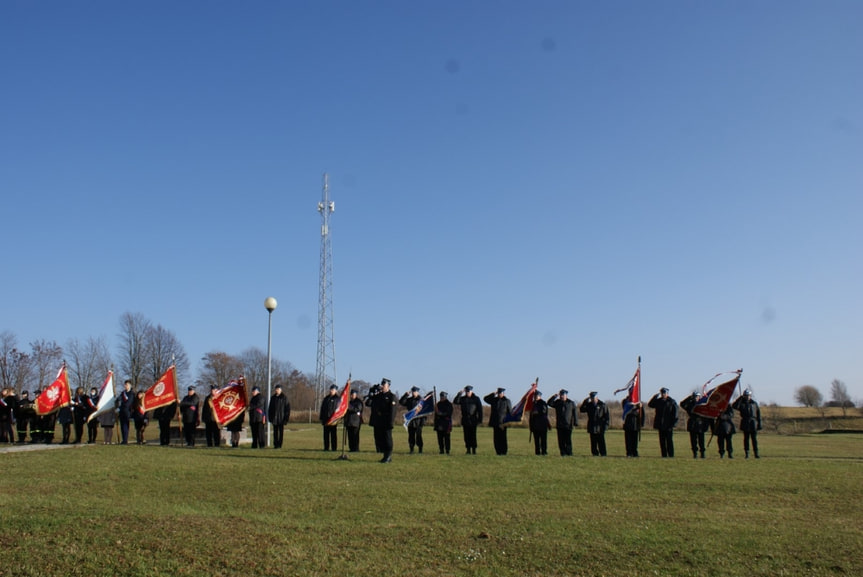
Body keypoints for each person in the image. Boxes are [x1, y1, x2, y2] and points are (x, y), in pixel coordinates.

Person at [367, 378, 397, 463]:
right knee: (379, 439)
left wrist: (390, 422)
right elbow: (368, 403)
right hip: (378, 421)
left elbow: (393, 411)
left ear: (388, 386)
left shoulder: (391, 397)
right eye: (382, 385)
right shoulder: (378, 396)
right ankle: (384, 455)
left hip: (386, 421)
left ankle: (388, 455)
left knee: (387, 439)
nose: (382, 386)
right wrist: (371, 393)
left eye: (384, 385)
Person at [680, 390, 713, 459]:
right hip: (693, 424)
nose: (696, 398)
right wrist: (689, 398)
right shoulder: (690, 404)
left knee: (701, 440)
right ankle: (695, 453)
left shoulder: (702, 404)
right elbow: (682, 404)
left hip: (701, 424)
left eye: (697, 396)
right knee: (693, 441)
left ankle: (702, 453)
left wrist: (707, 425)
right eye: (695, 396)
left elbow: (706, 415)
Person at [648, 387, 679, 458]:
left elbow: (675, 413)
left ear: (667, 393)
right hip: (660, 424)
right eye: (662, 393)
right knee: (662, 441)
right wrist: (654, 397)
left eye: (664, 393)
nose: (663, 394)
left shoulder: (671, 401)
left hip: (668, 424)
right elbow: (650, 405)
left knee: (669, 441)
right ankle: (664, 455)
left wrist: (674, 424)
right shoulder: (658, 401)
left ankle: (671, 455)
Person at [453, 385, 483, 454]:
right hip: (465, 419)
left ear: (471, 391)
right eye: (466, 392)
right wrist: (460, 393)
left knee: (473, 435)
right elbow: (455, 402)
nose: (467, 393)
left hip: (473, 420)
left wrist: (480, 420)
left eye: (468, 391)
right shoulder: (463, 399)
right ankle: (468, 449)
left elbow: (480, 410)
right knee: (466, 436)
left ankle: (474, 449)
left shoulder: (476, 399)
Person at [732, 389, 762, 459]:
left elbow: (758, 414)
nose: (747, 397)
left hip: (753, 422)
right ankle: (747, 453)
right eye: (745, 395)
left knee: (754, 439)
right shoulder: (741, 403)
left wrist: (759, 423)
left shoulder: (754, 403)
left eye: (748, 395)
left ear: (750, 396)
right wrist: (739, 398)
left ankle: (756, 453)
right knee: (746, 439)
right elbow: (734, 406)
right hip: (745, 422)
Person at [548, 389, 578, 456]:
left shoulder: (571, 403)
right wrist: (554, 396)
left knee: (568, 440)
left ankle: (569, 452)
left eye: (563, 395)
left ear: (566, 395)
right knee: (561, 440)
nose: (562, 396)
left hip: (568, 425)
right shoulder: (557, 402)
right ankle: (563, 452)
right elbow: (549, 403)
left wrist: (576, 422)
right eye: (561, 395)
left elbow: (575, 413)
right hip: (560, 424)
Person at [580, 391, 609, 456]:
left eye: (594, 398)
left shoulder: (602, 405)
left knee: (601, 441)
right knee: (593, 442)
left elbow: (606, 416)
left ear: (597, 397)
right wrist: (585, 402)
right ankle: (595, 453)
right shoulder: (589, 405)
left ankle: (603, 453)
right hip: (592, 426)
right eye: (591, 398)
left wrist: (606, 425)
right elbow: (582, 410)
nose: (593, 399)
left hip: (600, 426)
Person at [483, 388, 511, 456]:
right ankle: (498, 451)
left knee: (503, 437)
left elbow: (509, 411)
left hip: (503, 422)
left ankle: (504, 451)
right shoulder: (494, 400)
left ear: (503, 393)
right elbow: (485, 399)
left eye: (500, 393)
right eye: (498, 393)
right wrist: (493, 394)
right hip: (495, 421)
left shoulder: (507, 401)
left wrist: (508, 421)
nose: (499, 394)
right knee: (496, 438)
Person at [399, 386, 426, 454]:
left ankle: (420, 449)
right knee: (411, 436)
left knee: (418, 436)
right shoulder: (409, 400)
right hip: (410, 420)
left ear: (417, 392)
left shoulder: (421, 400)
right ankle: (411, 449)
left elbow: (424, 412)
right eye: (413, 392)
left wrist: (423, 421)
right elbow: (401, 402)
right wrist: (406, 395)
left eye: (415, 392)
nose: (414, 393)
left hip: (418, 420)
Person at [268, 384, 291, 449]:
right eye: (276, 389)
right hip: (274, 418)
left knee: (281, 433)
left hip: (281, 418)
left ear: (281, 390)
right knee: (275, 432)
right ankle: (275, 444)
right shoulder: (273, 398)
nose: (276, 390)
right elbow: (270, 408)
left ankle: (280, 444)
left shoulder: (284, 398)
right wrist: (270, 417)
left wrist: (286, 419)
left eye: (278, 389)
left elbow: (287, 409)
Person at [319, 384, 340, 451]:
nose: (331, 391)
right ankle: (326, 447)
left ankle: (334, 448)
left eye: (333, 390)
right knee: (326, 435)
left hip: (333, 419)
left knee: (333, 435)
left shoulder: (337, 399)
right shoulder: (326, 398)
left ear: (335, 391)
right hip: (326, 419)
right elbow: (322, 408)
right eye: (330, 390)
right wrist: (321, 418)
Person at [529, 390, 550, 456]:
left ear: (540, 396)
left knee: (543, 440)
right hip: (535, 424)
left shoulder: (543, 403)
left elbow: (544, 412)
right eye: (535, 396)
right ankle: (537, 452)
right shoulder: (533, 403)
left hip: (542, 424)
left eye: (537, 396)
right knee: (536, 440)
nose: (535, 397)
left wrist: (536, 412)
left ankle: (544, 451)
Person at [116, 379, 135, 445]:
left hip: (127, 412)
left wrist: (121, 407)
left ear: (130, 385)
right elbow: (119, 399)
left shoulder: (131, 393)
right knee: (122, 426)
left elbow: (128, 403)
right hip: (121, 412)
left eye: (126, 385)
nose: (125, 386)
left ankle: (125, 440)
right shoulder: (123, 393)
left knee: (125, 426)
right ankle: (123, 439)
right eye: (125, 385)